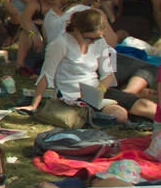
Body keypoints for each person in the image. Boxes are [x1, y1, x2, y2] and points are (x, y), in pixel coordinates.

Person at [24, 7, 157, 124]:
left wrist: (100, 89)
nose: (93, 42)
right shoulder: (61, 44)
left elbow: (108, 74)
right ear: (76, 30)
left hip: (97, 90)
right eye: (89, 38)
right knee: (119, 115)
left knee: (144, 106)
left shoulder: (100, 42)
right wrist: (34, 105)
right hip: (71, 95)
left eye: (97, 38)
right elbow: (46, 75)